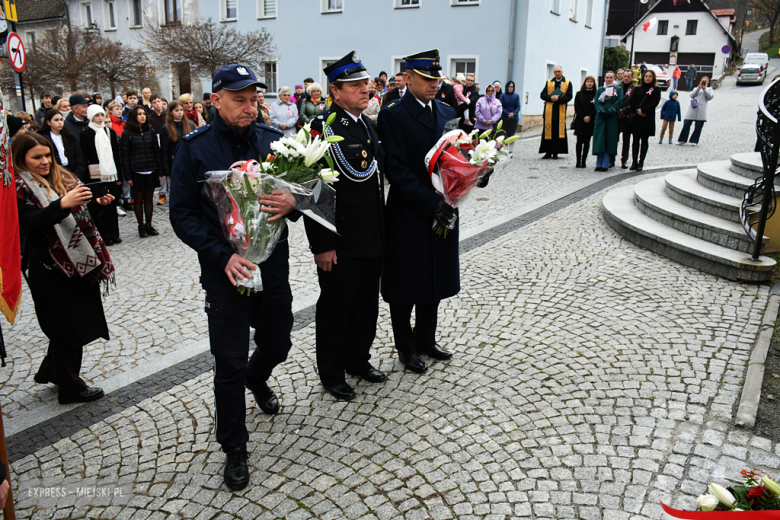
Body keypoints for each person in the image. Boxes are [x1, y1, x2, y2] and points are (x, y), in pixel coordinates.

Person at [169, 63, 298, 491]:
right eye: (239, 99)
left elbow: (301, 192)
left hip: (272, 265)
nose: (249, 106)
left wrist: (290, 202)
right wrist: (221, 255)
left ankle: (258, 377)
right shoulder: (195, 148)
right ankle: (235, 447)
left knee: (279, 340)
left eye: (253, 98)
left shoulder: (272, 140)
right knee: (228, 361)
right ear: (216, 100)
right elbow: (182, 214)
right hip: (225, 272)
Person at [303, 51, 386, 401]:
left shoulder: (367, 124)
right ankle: (332, 372)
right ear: (335, 92)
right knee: (337, 308)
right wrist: (321, 244)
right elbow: (312, 190)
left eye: (365, 83)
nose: (366, 89)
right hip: (340, 240)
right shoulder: (321, 129)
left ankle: (358, 359)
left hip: (371, 236)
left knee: (367, 304)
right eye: (356, 85)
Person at [14, 132, 115, 404]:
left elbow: (82, 220)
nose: (45, 161)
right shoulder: (17, 187)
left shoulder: (65, 178)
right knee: (65, 327)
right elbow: (31, 224)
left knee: (71, 324)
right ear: (21, 158)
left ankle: (52, 370)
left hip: (78, 265)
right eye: (37, 157)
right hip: (48, 266)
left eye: (48, 155)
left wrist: (97, 205)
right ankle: (70, 388)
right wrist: (62, 204)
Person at [377, 49, 458, 375]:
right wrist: (432, 203)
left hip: (443, 209)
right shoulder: (393, 115)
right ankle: (406, 347)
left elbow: (457, 156)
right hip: (409, 212)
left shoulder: (446, 111)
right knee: (406, 283)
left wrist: (477, 171)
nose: (434, 84)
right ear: (407, 78)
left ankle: (426, 338)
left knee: (434, 277)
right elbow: (396, 170)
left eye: (437, 79)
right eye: (427, 79)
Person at [80, 105, 123, 244]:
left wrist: (118, 175)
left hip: (110, 173)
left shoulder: (109, 132)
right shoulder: (86, 133)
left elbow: (116, 155)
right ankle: (105, 235)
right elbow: (85, 156)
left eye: (101, 115)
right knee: (100, 204)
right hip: (95, 174)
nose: (100, 118)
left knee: (112, 203)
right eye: (96, 115)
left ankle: (114, 233)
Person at [120, 105, 161, 238]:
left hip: (150, 169)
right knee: (138, 200)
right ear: (133, 117)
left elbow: (156, 152)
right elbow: (124, 156)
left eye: (144, 113)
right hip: (136, 171)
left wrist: (159, 171)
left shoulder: (150, 131)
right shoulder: (127, 133)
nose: (143, 116)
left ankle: (149, 224)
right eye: (139, 114)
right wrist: (128, 176)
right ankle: (141, 226)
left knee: (149, 199)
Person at [158, 101, 193, 206]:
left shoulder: (190, 125)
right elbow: (164, 150)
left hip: (189, 162)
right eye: (176, 110)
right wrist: (166, 170)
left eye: (181, 110)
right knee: (177, 190)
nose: (180, 113)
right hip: (174, 163)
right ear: (171, 112)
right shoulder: (166, 128)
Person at [38, 109, 87, 182]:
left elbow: (79, 157)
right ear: (48, 122)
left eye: (61, 120)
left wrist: (76, 176)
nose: (60, 122)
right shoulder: (43, 138)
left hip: (72, 173)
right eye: (56, 120)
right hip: (55, 175)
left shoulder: (69, 137)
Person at [629, 70, 661, 171]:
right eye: (646, 76)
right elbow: (632, 101)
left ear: (653, 78)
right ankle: (634, 162)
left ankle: (641, 162)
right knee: (635, 141)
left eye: (650, 76)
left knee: (644, 141)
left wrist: (643, 110)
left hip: (647, 117)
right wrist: (638, 110)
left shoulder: (656, 89)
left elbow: (655, 102)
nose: (647, 78)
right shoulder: (638, 88)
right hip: (637, 117)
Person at [539, 65, 572, 159]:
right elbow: (542, 94)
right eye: (555, 72)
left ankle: (555, 152)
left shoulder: (567, 83)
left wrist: (558, 99)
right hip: (549, 111)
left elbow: (569, 97)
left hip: (559, 112)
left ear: (562, 72)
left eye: (558, 71)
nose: (557, 73)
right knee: (548, 132)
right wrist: (550, 98)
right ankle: (548, 152)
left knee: (557, 133)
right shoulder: (549, 82)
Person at [592, 71, 623, 172]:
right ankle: (598, 163)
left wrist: (609, 111)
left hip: (611, 117)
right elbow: (596, 101)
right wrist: (601, 110)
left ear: (614, 78)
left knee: (608, 140)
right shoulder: (600, 89)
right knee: (600, 140)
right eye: (607, 77)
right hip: (601, 117)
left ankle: (605, 164)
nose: (608, 79)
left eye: (611, 77)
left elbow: (619, 101)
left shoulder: (618, 89)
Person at [677, 76, 714, 146]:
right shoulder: (696, 88)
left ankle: (694, 140)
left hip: (702, 110)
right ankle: (682, 139)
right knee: (686, 123)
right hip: (693, 108)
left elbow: (710, 97)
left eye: (705, 81)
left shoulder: (709, 89)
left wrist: (705, 89)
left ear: (708, 82)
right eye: (702, 81)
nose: (703, 82)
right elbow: (691, 95)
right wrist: (698, 88)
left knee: (698, 126)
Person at [573, 76, 597, 169]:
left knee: (587, 142)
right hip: (580, 120)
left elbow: (596, 107)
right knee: (579, 142)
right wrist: (583, 116)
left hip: (590, 121)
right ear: (585, 83)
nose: (589, 83)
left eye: (591, 81)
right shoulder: (579, 94)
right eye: (588, 81)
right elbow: (577, 106)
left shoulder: (595, 94)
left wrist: (589, 116)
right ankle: (578, 160)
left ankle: (584, 161)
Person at [617, 69, 635, 169]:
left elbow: (633, 102)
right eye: (625, 76)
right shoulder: (618, 87)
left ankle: (624, 160)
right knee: (614, 139)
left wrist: (624, 110)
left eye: (628, 76)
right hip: (617, 116)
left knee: (626, 141)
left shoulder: (634, 88)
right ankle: (612, 159)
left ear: (632, 77)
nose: (626, 78)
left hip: (627, 116)